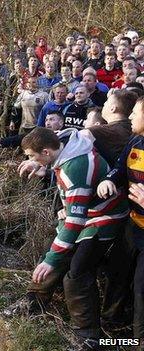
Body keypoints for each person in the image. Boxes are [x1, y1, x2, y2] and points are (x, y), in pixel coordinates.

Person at [20, 127, 129, 349]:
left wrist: (52, 259)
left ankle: (88, 336)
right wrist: (46, 171)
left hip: (104, 218)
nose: (31, 160)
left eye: (32, 156)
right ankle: (34, 301)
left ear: (46, 152)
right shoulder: (67, 144)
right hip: (89, 213)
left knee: (76, 272)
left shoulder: (75, 168)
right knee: (53, 254)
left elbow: (74, 222)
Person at [97, 97, 144, 343]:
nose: (131, 117)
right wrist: (110, 180)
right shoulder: (134, 141)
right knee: (117, 271)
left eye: (136, 113)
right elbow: (119, 168)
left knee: (141, 290)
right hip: (132, 223)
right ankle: (112, 325)